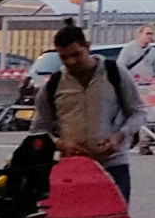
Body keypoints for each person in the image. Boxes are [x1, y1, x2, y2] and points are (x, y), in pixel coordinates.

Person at [37, 23, 144, 199]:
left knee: (114, 215)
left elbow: (138, 111)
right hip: (73, 167)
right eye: (63, 57)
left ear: (87, 46)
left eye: (76, 54)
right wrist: (60, 144)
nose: (71, 62)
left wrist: (119, 137)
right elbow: (39, 127)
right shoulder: (54, 84)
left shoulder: (114, 73)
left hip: (113, 165)